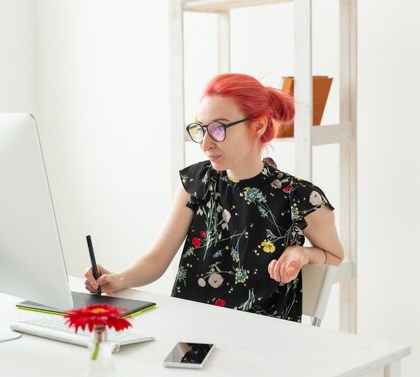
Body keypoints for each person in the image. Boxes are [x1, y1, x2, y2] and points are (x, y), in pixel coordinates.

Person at [84, 73, 344, 322]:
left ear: (258, 126)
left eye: (219, 129)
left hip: (265, 345)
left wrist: (303, 253)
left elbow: (334, 255)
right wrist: (119, 279)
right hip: (190, 334)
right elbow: (157, 259)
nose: (205, 143)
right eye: (201, 129)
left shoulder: (299, 197)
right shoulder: (198, 183)